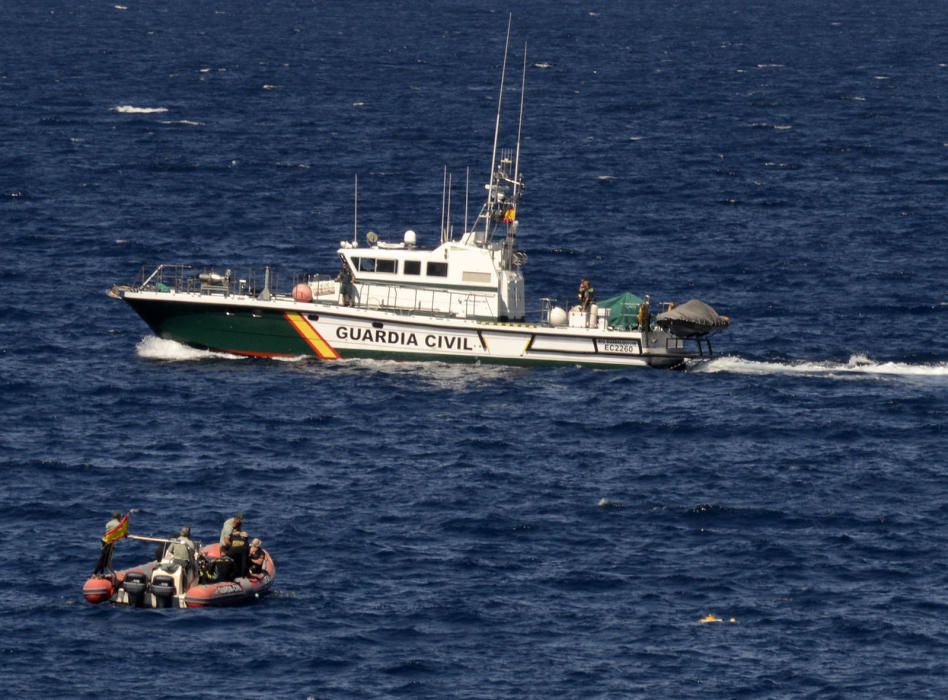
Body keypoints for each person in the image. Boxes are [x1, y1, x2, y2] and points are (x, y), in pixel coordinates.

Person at [92, 511, 127, 575]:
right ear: (118, 517)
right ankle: (95, 573)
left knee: (104, 558)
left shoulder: (108, 523)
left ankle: (101, 573)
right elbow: (122, 532)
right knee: (103, 559)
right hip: (109, 543)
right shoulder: (118, 525)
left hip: (104, 541)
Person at [220, 512, 249, 578]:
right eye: (239, 520)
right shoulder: (228, 527)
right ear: (235, 519)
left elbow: (238, 531)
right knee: (228, 560)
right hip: (226, 546)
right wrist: (233, 547)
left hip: (234, 543)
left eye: (241, 520)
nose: (240, 521)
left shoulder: (239, 524)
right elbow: (226, 541)